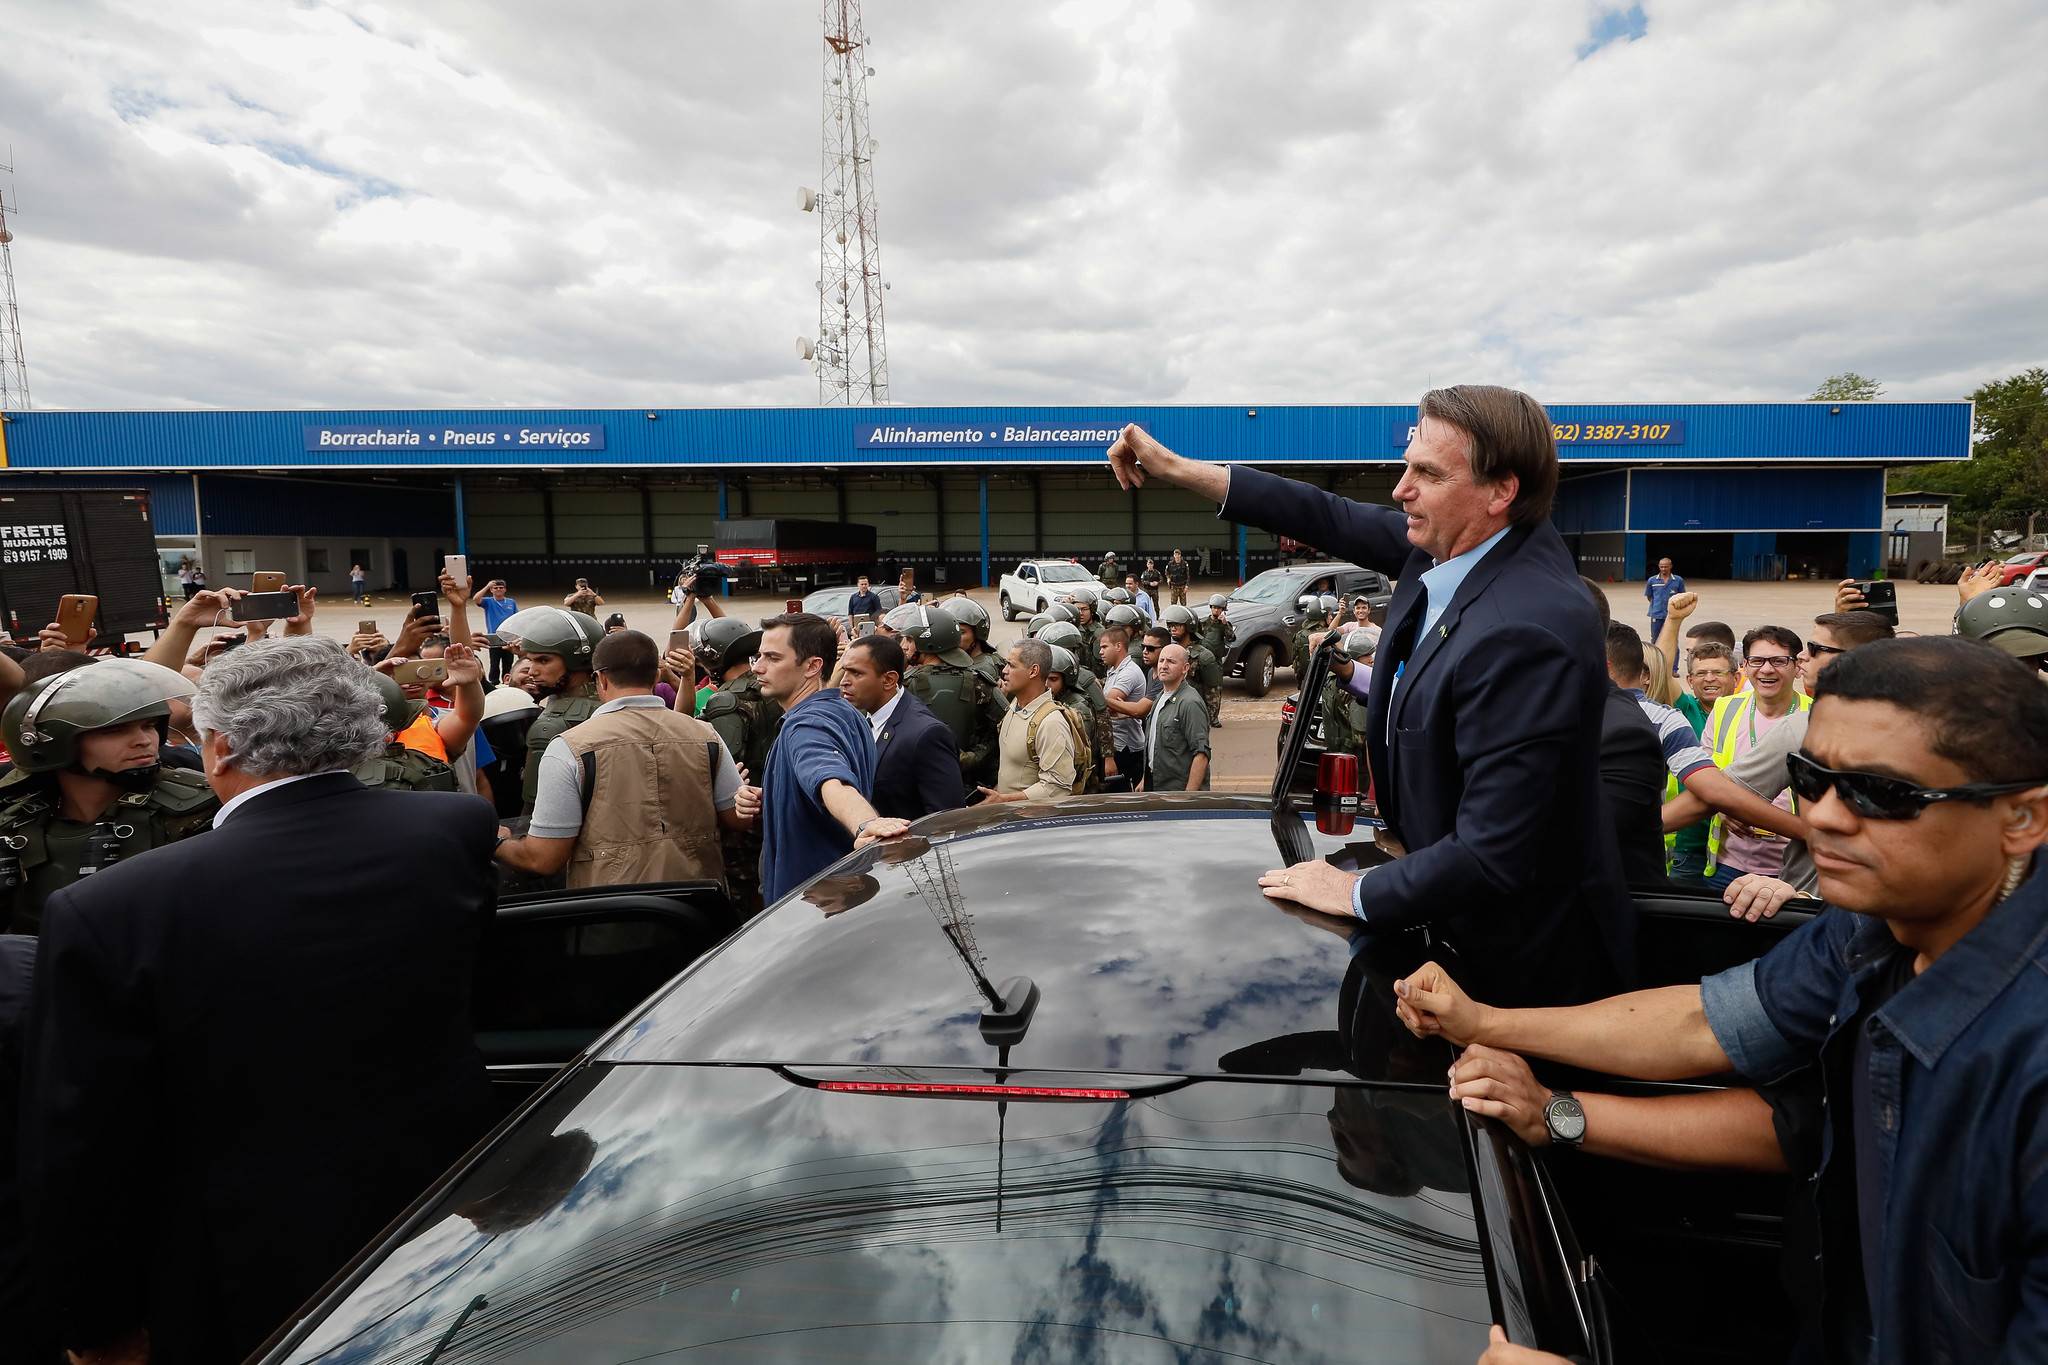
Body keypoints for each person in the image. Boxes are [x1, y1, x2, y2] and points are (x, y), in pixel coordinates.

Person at [1402, 636, 2048, 1365]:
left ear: (2023, 818)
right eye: (1812, 778)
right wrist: (1487, 1025)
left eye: (1884, 793)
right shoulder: (1872, 927)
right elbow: (1703, 1024)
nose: (1824, 817)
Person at [18, 637, 499, 1364]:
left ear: (217, 749)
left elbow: (83, 1140)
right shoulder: (451, 827)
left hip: (239, 1261)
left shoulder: (110, 907)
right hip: (442, 1202)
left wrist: (97, 1325)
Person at [1112, 384, 1629, 1008]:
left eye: (1428, 474)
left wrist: (1353, 893)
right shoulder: (1458, 546)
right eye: (1407, 466)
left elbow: (1495, 854)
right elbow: (1322, 514)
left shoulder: (1531, 627)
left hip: (1519, 972)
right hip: (1455, 919)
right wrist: (1176, 469)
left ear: (1501, 491)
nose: (1400, 490)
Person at [494, 630, 754, 888]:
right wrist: (740, 794)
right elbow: (738, 819)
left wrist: (497, 840)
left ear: (601, 679)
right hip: (699, 899)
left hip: (614, 905)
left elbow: (543, 859)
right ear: (656, 677)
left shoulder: (569, 747)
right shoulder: (705, 735)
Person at [0, 658, 219, 935]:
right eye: (115, 730)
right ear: (53, 743)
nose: (144, 740)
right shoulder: (13, 822)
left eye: (149, 725)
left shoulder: (199, 812)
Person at [734, 614, 906, 904]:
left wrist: (865, 823)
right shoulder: (846, 712)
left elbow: (830, 779)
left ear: (813, 666)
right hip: (838, 896)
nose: (758, 667)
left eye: (773, 658)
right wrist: (774, 796)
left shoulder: (805, 725)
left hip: (811, 905)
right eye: (758, 656)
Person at [494, 605, 605, 818]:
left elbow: (534, 811)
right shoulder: (608, 704)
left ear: (577, 661)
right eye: (530, 659)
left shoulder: (550, 727)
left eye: (543, 660)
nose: (532, 671)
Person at [838, 633, 963, 821]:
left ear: (889, 680)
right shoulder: (859, 718)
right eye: (845, 671)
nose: (844, 681)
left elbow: (947, 820)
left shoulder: (927, 734)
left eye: (856, 673)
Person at [886, 603, 1004, 789]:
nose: (904, 646)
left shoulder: (902, 686)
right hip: (970, 786)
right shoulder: (980, 682)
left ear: (928, 642)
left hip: (915, 785)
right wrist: (975, 757)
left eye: (909, 639)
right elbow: (1007, 726)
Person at [978, 638, 1078, 803]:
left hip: (1031, 817)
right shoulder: (1014, 705)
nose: (1004, 671)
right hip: (1008, 813)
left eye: (1012, 665)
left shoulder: (1051, 723)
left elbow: (1058, 786)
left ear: (1033, 671)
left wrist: (1004, 799)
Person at [1145, 643, 1211, 792]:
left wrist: (1188, 796)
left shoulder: (1190, 703)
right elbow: (1154, 744)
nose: (1164, 666)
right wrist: (1145, 779)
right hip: (1156, 786)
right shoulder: (1160, 697)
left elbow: (1201, 754)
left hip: (1177, 792)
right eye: (1161, 660)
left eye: (1171, 662)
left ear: (1185, 668)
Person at [1098, 624, 1149, 793]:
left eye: (1104, 647)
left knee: (1121, 797)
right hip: (1118, 745)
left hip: (1125, 748)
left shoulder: (1129, 673)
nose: (1100, 652)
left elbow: (1106, 704)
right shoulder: (1114, 670)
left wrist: (1101, 698)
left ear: (1118, 646)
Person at [1043, 646, 1099, 793]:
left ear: (1066, 680)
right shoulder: (1049, 700)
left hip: (1076, 784)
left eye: (1053, 679)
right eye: (1043, 678)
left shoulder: (1078, 708)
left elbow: (1078, 755)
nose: (1046, 684)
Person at [1160, 605, 1224, 728]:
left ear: (1189, 627)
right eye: (1170, 625)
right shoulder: (1168, 651)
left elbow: (1212, 691)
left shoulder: (1204, 656)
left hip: (1193, 713)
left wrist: (1209, 719)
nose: (1173, 628)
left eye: (1177, 625)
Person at [469, 577, 521, 684]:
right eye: (495, 588)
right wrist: (487, 586)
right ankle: (494, 682)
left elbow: (517, 618)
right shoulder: (488, 602)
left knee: (508, 663)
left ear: (505, 589)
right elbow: (476, 599)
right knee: (494, 663)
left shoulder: (511, 602)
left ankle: (507, 682)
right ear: (491, 590)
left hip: (508, 637)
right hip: (494, 637)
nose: (498, 589)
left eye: (501, 587)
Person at [1644, 556, 1684, 642]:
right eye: (1661, 567)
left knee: (1672, 639)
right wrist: (1656, 606)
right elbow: (1649, 596)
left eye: (1666, 567)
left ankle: (1674, 652)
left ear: (1670, 566)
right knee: (1655, 639)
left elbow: (1682, 597)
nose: (1663, 569)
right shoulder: (1652, 580)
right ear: (1659, 566)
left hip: (1672, 615)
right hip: (1656, 615)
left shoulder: (1678, 580)